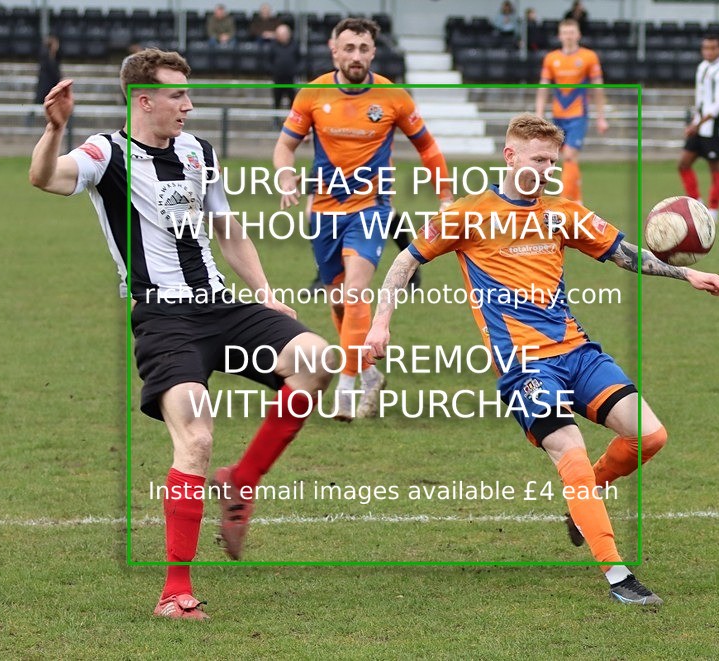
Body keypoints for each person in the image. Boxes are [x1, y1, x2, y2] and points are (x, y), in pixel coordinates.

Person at [364, 113, 719, 605]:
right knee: (571, 453)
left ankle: (585, 497)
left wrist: (685, 276)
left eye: (552, 161)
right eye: (538, 159)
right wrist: (380, 322)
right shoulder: (468, 214)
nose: (546, 169)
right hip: (524, 366)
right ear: (510, 156)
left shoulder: (562, 213)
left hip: (577, 352)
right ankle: (618, 575)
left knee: (650, 436)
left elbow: (623, 253)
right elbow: (405, 261)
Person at [29, 48, 332, 619]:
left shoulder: (198, 152)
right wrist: (54, 129)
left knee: (315, 358)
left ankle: (241, 482)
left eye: (188, 95)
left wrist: (265, 292)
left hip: (221, 308)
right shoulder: (105, 152)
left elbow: (228, 229)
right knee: (194, 440)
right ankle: (175, 591)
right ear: (143, 100)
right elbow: (44, 177)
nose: (188, 106)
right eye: (177, 96)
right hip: (165, 320)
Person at [272, 17, 452, 422]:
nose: (356, 56)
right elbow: (285, 147)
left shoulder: (393, 97)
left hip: (371, 209)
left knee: (355, 293)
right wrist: (285, 176)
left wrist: (445, 198)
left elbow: (428, 148)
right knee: (339, 301)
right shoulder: (313, 93)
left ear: (374, 52)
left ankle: (346, 389)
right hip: (322, 211)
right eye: (348, 48)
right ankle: (369, 373)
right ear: (334, 50)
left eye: (364, 48)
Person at [535, 18, 607, 204]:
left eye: (571, 32)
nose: (568, 36)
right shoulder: (551, 58)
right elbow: (543, 89)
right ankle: (577, 200)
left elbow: (598, 88)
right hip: (557, 116)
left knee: (569, 155)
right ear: (560, 35)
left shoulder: (588, 57)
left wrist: (601, 117)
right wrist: (539, 115)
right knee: (555, 159)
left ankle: (564, 201)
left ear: (578, 34)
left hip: (578, 115)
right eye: (565, 32)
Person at [678, 35, 719, 223]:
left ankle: (714, 211)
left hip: (714, 128)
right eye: (705, 48)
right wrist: (695, 119)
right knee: (683, 164)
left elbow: (718, 104)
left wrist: (697, 124)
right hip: (699, 125)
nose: (708, 51)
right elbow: (701, 99)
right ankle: (697, 205)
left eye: (712, 48)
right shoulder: (702, 67)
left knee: (715, 169)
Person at [270, 23, 299, 127]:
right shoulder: (273, 45)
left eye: (283, 34)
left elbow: (299, 58)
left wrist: (295, 70)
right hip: (278, 78)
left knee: (293, 101)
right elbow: (269, 59)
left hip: (290, 78)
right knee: (277, 100)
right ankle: (275, 121)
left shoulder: (294, 45)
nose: (281, 36)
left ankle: (292, 122)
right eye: (279, 34)